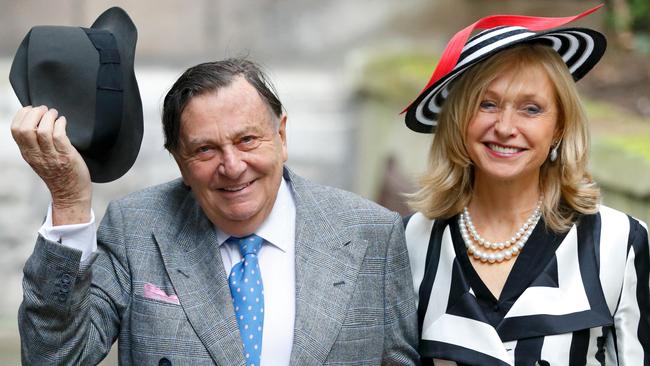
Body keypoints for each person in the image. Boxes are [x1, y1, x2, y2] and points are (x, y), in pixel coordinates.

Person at [11, 58, 419, 365]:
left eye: (247, 140)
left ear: (281, 136)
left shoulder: (373, 233)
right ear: (179, 162)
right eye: (205, 149)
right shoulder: (135, 228)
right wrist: (68, 200)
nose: (232, 166)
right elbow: (54, 357)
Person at [401, 6, 649, 365]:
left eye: (531, 109)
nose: (504, 126)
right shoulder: (412, 243)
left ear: (559, 128)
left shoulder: (619, 244)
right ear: (458, 119)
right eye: (487, 104)